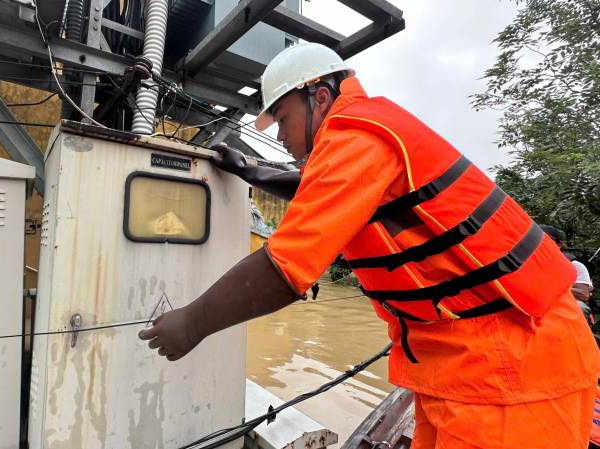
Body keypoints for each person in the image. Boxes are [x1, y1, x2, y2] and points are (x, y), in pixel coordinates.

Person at [139, 42, 600, 448]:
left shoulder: (356, 133)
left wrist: (192, 323)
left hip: (513, 362)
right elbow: (314, 187)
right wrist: (250, 170)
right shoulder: (360, 138)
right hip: (462, 364)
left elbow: (285, 268)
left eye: (281, 118)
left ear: (319, 97)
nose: (278, 134)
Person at [540, 225, 595, 324]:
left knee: (580, 306)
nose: (542, 244)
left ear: (559, 245)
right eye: (538, 240)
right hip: (535, 303)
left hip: (563, 304)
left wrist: (547, 292)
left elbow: (582, 295)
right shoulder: (523, 262)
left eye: (547, 240)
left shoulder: (574, 265)